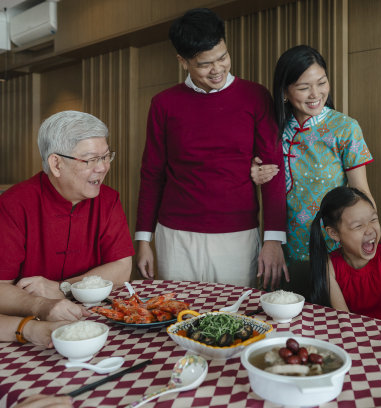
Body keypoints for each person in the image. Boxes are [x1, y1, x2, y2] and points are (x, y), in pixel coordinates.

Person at [135, 8, 287, 289]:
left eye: (223, 57)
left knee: (234, 321)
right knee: (178, 315)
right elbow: (152, 173)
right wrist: (144, 240)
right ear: (183, 61)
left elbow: (273, 170)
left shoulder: (256, 97)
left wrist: (273, 240)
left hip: (238, 234)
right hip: (175, 234)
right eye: (205, 64)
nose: (217, 69)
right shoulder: (163, 104)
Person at [251, 45, 381, 296]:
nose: (315, 94)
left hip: (333, 245)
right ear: (285, 91)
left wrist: (375, 233)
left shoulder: (345, 128)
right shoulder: (272, 129)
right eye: (304, 87)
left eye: (321, 83)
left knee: (332, 321)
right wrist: (253, 172)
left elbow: (360, 190)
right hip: (283, 248)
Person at [0, 111, 133, 321]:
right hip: (31, 322)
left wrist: (63, 288)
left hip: (96, 316)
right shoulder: (14, 204)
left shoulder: (108, 200)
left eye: (106, 156)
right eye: (90, 160)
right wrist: (41, 305)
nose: (103, 167)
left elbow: (121, 268)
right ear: (56, 164)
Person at [309, 186, 381, 329]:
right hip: (356, 341)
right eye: (358, 226)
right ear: (334, 233)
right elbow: (345, 322)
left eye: (374, 219)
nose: (370, 230)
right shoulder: (329, 266)